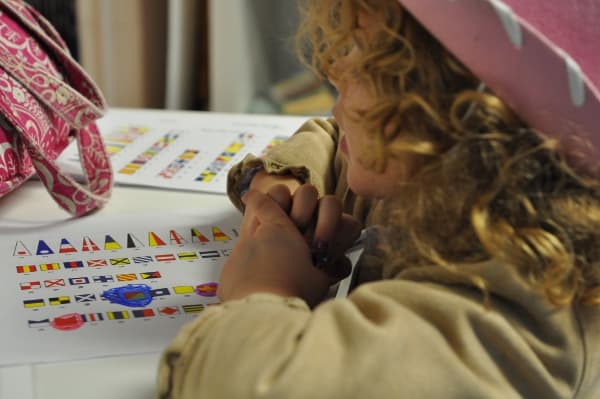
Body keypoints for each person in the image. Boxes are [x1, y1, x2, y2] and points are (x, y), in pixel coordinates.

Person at [157, 0, 600, 397]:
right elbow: (332, 138)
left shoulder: (511, 315)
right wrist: (284, 183)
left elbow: (250, 384)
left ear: (440, 111)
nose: (330, 69)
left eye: (360, 56)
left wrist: (263, 288)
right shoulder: (443, 187)